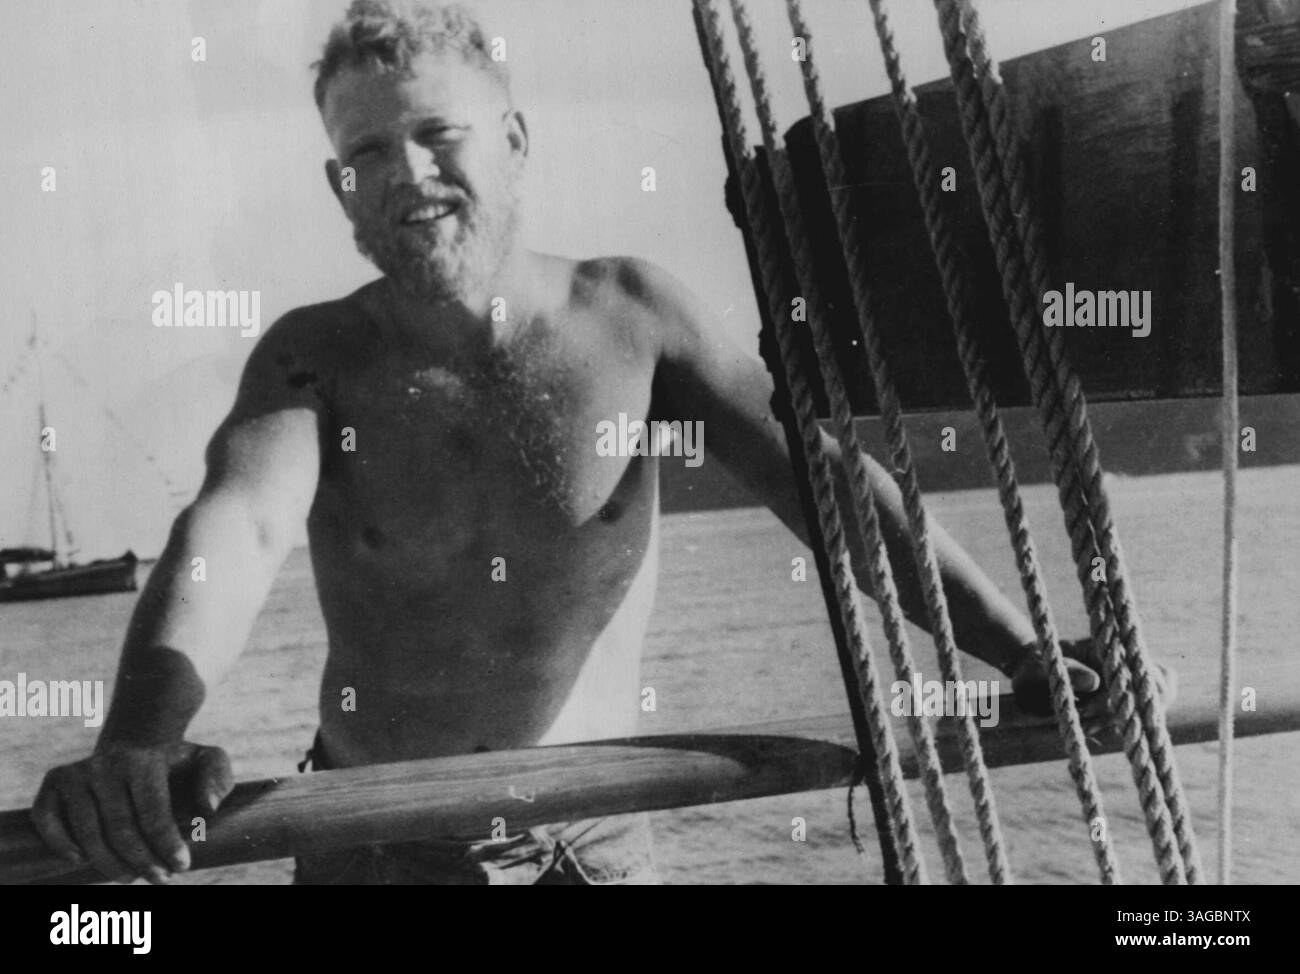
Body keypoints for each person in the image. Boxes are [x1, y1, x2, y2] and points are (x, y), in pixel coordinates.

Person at [30, 0, 1153, 885]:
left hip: (600, 842)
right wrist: (140, 735)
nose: (408, 173)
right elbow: (239, 523)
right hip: (381, 844)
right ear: (341, 190)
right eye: (367, 152)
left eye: (438, 134)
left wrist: (1020, 653)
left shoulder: (636, 316)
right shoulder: (310, 357)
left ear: (514, 143)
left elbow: (832, 493)